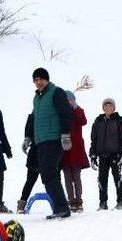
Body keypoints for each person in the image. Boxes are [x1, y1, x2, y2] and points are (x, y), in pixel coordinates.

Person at [29, 67, 73, 219]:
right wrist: (29, 137)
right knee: (48, 174)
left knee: (49, 172)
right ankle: (59, 208)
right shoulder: (37, 98)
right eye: (35, 80)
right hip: (41, 141)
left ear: (46, 79)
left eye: (40, 79)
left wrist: (65, 135)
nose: (38, 82)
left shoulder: (56, 92)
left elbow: (66, 113)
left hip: (54, 139)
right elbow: (34, 119)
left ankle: (63, 208)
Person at [89, 98, 122, 210]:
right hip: (102, 155)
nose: (108, 108)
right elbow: (94, 140)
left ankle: (120, 202)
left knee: (117, 178)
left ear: (114, 108)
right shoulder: (97, 122)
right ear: (103, 108)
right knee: (102, 179)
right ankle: (103, 203)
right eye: (106, 106)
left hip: (115, 155)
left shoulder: (119, 121)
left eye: (110, 106)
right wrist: (93, 156)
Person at [61, 91, 90, 212]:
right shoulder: (60, 112)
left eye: (70, 100)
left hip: (76, 149)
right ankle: (71, 201)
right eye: (66, 100)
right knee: (67, 177)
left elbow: (83, 121)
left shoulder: (78, 111)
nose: (68, 102)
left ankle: (79, 201)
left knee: (76, 177)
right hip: (64, 149)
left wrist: (75, 106)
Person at [17, 114, 40, 214]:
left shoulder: (51, 113)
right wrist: (27, 140)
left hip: (48, 152)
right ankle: (21, 204)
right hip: (35, 153)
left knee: (54, 180)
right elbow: (28, 131)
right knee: (30, 180)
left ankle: (60, 203)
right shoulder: (33, 116)